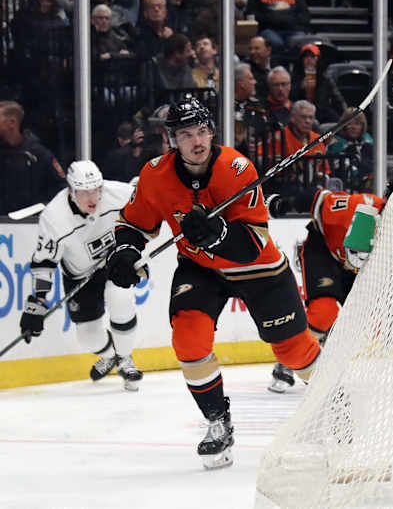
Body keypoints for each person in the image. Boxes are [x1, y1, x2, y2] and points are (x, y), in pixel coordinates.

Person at [106, 97, 320, 469]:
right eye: (186, 134)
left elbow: (253, 243)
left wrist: (216, 232)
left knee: (294, 354)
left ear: (212, 132)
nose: (197, 141)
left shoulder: (237, 168)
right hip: (200, 267)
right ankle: (218, 422)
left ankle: (337, 405)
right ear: (172, 139)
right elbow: (133, 224)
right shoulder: (155, 174)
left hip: (259, 270)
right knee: (188, 338)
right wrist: (125, 251)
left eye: (202, 131)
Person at [19, 160, 143, 391]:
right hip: (80, 273)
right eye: (84, 192)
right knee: (88, 336)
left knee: (121, 297)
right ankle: (111, 356)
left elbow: (147, 196)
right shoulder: (54, 217)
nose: (92, 198)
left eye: (96, 189)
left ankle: (126, 359)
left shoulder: (115, 193)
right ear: (71, 191)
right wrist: (37, 303)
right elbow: (46, 261)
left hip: (116, 261)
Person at [267, 185, 385, 393]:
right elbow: (312, 196)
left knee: (366, 320)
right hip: (322, 251)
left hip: (362, 264)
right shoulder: (337, 211)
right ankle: (288, 360)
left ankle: (322, 340)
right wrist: (281, 204)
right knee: (324, 311)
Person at [0, 100, 66, 215]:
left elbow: (62, 189)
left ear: (12, 122)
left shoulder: (38, 154)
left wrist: (41, 209)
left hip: (31, 224)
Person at [259, 100, 330, 198]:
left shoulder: (318, 139)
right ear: (292, 118)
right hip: (285, 187)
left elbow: (325, 171)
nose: (308, 121)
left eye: (311, 117)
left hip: (313, 187)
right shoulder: (279, 137)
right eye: (303, 117)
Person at [291, 43, 347, 124]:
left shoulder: (325, 78)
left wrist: (347, 113)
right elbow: (289, 97)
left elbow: (338, 98)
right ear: (301, 59)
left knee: (338, 122)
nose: (309, 59)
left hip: (321, 111)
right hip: (301, 111)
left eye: (312, 56)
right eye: (306, 56)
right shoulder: (294, 77)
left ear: (318, 59)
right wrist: (300, 87)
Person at [327, 107, 374, 191]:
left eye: (357, 124)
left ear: (363, 126)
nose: (353, 127)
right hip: (342, 185)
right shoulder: (335, 142)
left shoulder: (368, 142)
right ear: (343, 125)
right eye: (349, 123)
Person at [245, 0, 310, 52]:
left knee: (300, 41)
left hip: (293, 30)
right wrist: (270, 19)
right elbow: (250, 13)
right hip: (269, 29)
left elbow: (305, 14)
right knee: (276, 43)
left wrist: (291, 21)